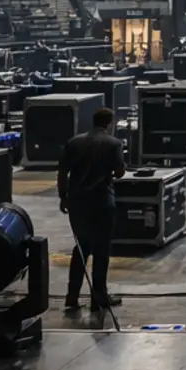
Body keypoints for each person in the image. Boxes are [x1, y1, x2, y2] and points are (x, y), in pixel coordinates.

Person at [58, 107, 126, 312]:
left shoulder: (74, 142)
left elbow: (62, 172)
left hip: (77, 204)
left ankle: (72, 296)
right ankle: (99, 297)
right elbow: (120, 171)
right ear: (109, 123)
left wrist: (63, 197)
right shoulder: (113, 143)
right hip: (102, 204)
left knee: (81, 249)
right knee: (101, 251)